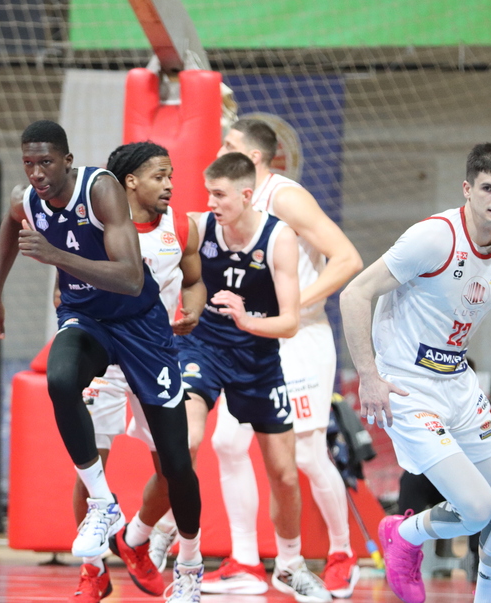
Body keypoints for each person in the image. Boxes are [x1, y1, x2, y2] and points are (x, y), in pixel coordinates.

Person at [339, 143, 491, 603]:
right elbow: (355, 294)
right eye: (488, 188)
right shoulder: (434, 239)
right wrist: (368, 376)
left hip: (459, 384)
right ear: (467, 189)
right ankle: (403, 534)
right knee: (477, 508)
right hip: (407, 386)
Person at [0, 122, 203, 603]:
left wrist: (55, 255)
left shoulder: (101, 190)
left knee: (177, 464)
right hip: (89, 322)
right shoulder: (28, 199)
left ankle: (188, 566)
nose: (37, 173)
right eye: (29, 164)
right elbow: (12, 220)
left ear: (67, 160)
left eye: (45, 162)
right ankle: (101, 517)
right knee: (61, 380)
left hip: (143, 330)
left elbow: (130, 278)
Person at [190, 118, 363, 598]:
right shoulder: (227, 207)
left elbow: (348, 259)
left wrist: (291, 306)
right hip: (251, 340)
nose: (220, 149)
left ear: (254, 158)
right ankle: (245, 561)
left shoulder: (284, 197)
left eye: (229, 144)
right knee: (227, 443)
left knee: (306, 453)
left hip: (299, 338)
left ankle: (341, 553)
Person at [64, 141, 206, 601]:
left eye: (170, 176)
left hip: (153, 355)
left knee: (174, 467)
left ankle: (136, 537)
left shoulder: (180, 227)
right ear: (130, 181)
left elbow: (194, 280)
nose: (169, 185)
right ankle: (92, 570)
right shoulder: (92, 226)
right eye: (159, 176)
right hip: (105, 358)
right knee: (91, 470)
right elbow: (63, 292)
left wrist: (193, 310)